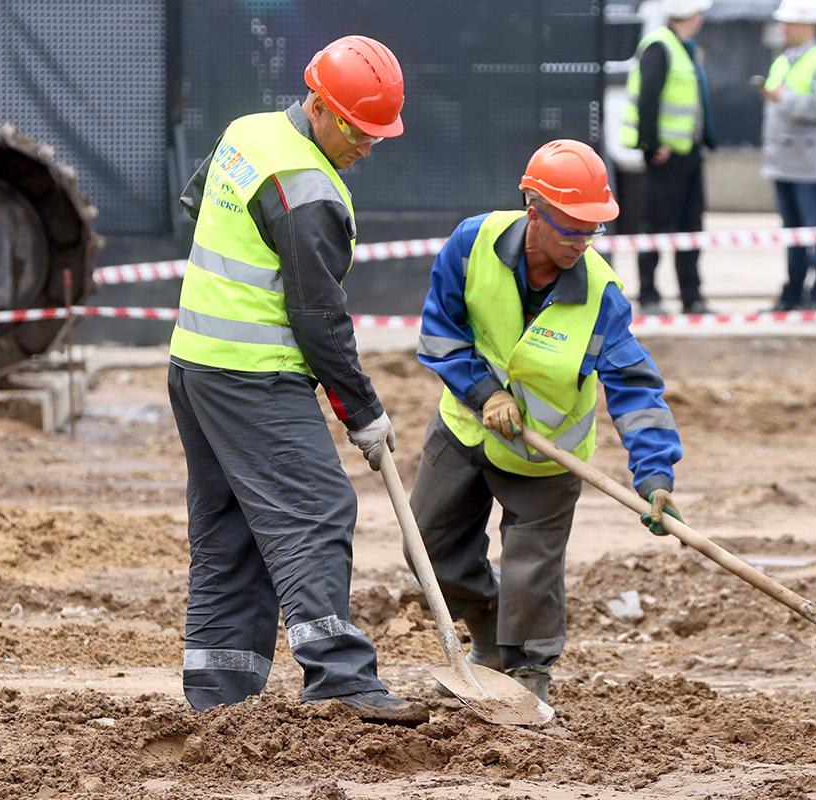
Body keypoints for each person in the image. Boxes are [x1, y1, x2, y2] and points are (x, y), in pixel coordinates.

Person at [167, 35, 427, 725]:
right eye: (357, 129)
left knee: (233, 532)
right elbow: (319, 320)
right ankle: (339, 677)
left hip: (194, 366)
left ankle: (219, 698)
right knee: (317, 509)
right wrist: (363, 413)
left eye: (378, 134)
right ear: (318, 104)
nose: (367, 146)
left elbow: (195, 207)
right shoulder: (309, 192)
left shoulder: (246, 134)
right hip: (254, 376)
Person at [411, 140, 684, 703]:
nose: (582, 242)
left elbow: (635, 388)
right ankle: (486, 627)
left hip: (545, 456)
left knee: (531, 574)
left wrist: (655, 477)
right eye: (571, 228)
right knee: (428, 545)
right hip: (465, 429)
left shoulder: (601, 296)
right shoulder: (473, 243)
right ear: (534, 211)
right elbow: (440, 333)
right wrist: (484, 392)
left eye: (593, 230)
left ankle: (528, 672)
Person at [620, 0, 717, 316]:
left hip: (687, 154)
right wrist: (651, 144)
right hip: (665, 158)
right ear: (693, 15)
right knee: (656, 226)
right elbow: (647, 98)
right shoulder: (660, 47)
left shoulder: (684, 48)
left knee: (691, 226)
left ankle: (692, 297)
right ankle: (649, 295)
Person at [760, 0, 816, 311]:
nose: (784, 28)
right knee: (792, 232)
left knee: (815, 228)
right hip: (782, 162)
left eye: (790, 23)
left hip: (808, 164)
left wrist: (784, 98)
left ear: (809, 25)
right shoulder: (783, 60)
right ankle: (793, 292)